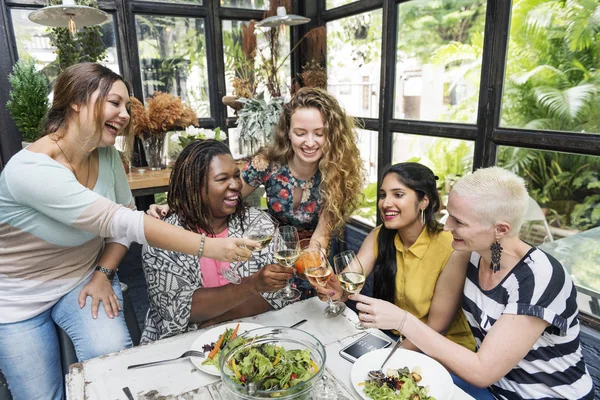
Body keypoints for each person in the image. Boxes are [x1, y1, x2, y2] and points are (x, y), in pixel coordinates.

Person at [0, 63, 257, 400]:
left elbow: (123, 224)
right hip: (18, 298)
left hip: (82, 279)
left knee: (113, 363)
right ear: (76, 101)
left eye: (126, 105)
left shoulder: (106, 155)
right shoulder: (30, 169)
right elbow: (122, 222)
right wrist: (211, 247)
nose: (124, 114)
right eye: (114, 103)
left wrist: (104, 272)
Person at [352, 167, 594, 399]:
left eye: (459, 222)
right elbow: (438, 324)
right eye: (449, 216)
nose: (447, 226)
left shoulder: (539, 278)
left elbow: (482, 372)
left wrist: (402, 320)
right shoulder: (469, 254)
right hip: (492, 390)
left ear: (500, 229)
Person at [148, 87, 365, 250]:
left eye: (319, 133)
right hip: (270, 251)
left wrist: (307, 266)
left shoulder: (338, 172)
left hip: (313, 253)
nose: (310, 142)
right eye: (300, 133)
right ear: (287, 132)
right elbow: (225, 194)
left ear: (333, 134)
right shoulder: (267, 163)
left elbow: (321, 238)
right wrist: (172, 206)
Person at [141, 140, 293, 342]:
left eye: (237, 175)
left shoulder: (258, 225)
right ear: (194, 187)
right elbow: (178, 311)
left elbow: (277, 294)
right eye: (222, 179)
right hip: (185, 346)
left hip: (256, 336)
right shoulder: (163, 237)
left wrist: (219, 319)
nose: (236, 185)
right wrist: (251, 286)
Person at [319, 162, 475, 352]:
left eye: (398, 194)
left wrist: (390, 359)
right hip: (394, 337)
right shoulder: (379, 236)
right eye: (383, 195)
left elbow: (437, 327)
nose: (385, 203)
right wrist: (334, 291)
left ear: (424, 201)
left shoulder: (451, 248)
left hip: (442, 350)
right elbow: (347, 283)